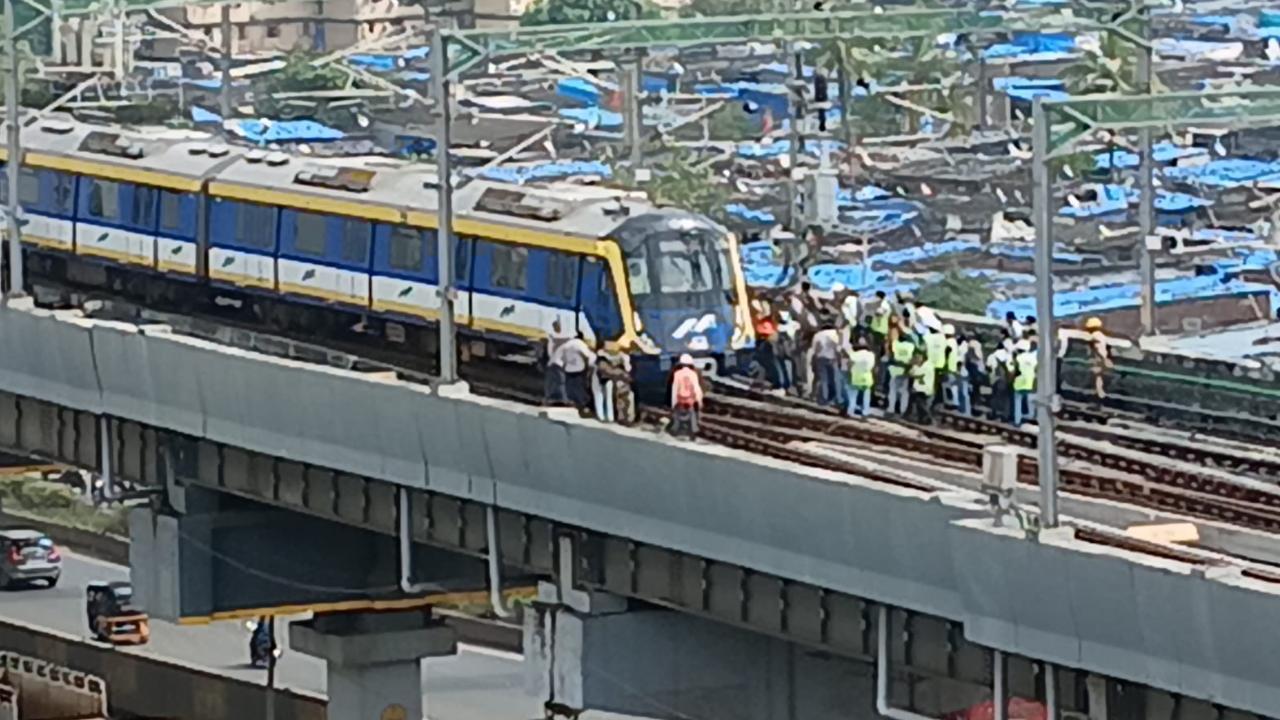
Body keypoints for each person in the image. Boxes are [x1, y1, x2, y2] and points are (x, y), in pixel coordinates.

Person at [555, 332, 596, 412]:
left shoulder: (567, 344)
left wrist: (563, 365)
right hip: (579, 368)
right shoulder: (580, 344)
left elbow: (559, 356)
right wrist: (588, 367)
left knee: (570, 387)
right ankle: (584, 404)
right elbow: (588, 356)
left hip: (568, 368)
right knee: (580, 387)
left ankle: (574, 402)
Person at [809, 317, 844, 408]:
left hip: (820, 358)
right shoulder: (834, 334)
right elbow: (838, 348)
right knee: (836, 380)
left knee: (823, 380)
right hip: (832, 358)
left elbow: (815, 349)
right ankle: (838, 399)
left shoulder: (817, 335)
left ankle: (824, 399)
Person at [595, 342, 632, 424]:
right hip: (602, 379)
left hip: (612, 381)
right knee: (601, 397)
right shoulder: (602, 359)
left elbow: (627, 369)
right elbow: (606, 370)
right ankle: (604, 416)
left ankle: (611, 417)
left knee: (608, 397)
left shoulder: (622, 358)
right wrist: (621, 373)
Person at [670, 354, 704, 438]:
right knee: (692, 414)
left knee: (676, 414)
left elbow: (675, 388)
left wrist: (673, 402)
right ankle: (694, 430)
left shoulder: (677, 374)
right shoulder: (693, 374)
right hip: (690, 399)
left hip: (680, 399)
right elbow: (696, 388)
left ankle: (675, 429)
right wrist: (699, 400)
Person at [887, 330, 916, 416]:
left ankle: (891, 408)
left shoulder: (895, 344)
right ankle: (902, 409)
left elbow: (891, 354)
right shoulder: (911, 346)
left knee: (892, 391)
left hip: (895, 370)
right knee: (904, 392)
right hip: (905, 370)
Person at [846, 337, 876, 418]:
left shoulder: (854, 354)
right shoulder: (871, 355)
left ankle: (850, 411)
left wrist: (849, 372)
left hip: (856, 377)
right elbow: (872, 366)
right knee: (866, 396)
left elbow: (849, 364)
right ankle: (865, 411)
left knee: (853, 395)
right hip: (867, 377)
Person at [543, 319, 571, 405]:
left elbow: (550, 351)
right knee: (561, 381)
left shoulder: (552, 337)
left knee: (551, 382)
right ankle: (564, 399)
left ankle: (547, 399)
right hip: (559, 363)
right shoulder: (565, 337)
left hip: (553, 362)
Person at [986, 338, 1014, 422]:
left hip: (995, 379)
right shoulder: (1008, 356)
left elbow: (988, 367)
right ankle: (1005, 416)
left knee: (995, 397)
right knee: (1006, 399)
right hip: (1005, 379)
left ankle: (993, 413)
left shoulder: (992, 355)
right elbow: (1011, 369)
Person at [1085, 316, 1112, 399]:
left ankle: (1099, 390)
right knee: (1099, 375)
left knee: (1099, 375)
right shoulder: (1100, 335)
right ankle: (1099, 390)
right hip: (1101, 357)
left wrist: (1103, 358)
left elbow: (1097, 348)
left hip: (1100, 357)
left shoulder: (1095, 336)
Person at [1012, 339, 1038, 425]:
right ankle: (1031, 417)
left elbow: (1014, 370)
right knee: (1030, 401)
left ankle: (1017, 421)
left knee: (1018, 402)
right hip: (1030, 382)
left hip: (1019, 383)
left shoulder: (1018, 358)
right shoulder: (1033, 357)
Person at [908, 352, 936, 424]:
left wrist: (913, 365)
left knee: (922, 405)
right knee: (919, 405)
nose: (917, 359)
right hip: (921, 388)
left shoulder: (926, 366)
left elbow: (914, 374)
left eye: (918, 358)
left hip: (924, 389)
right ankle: (921, 419)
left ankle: (929, 418)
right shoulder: (925, 365)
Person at [922, 325, 947, 403]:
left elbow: (923, 350)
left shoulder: (927, 337)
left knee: (928, 383)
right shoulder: (943, 338)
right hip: (940, 364)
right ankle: (933, 401)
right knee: (936, 384)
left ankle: (927, 402)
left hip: (929, 364)